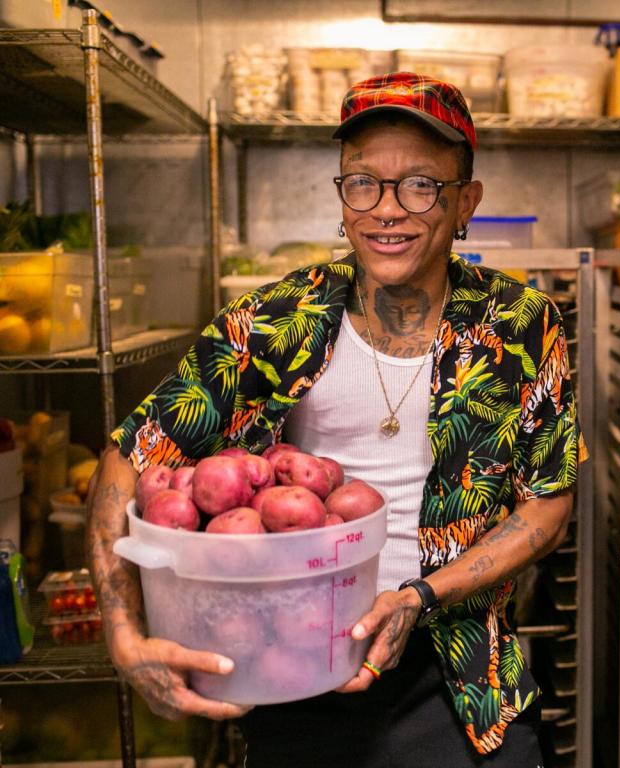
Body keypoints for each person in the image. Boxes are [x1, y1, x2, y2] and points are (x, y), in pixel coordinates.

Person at [87, 73, 585, 767]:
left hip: (466, 674)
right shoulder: (273, 321)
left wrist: (420, 596)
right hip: (290, 662)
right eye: (363, 183)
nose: (387, 209)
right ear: (341, 198)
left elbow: (547, 505)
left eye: (420, 185)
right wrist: (123, 634)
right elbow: (128, 458)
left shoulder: (523, 325)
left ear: (466, 200)